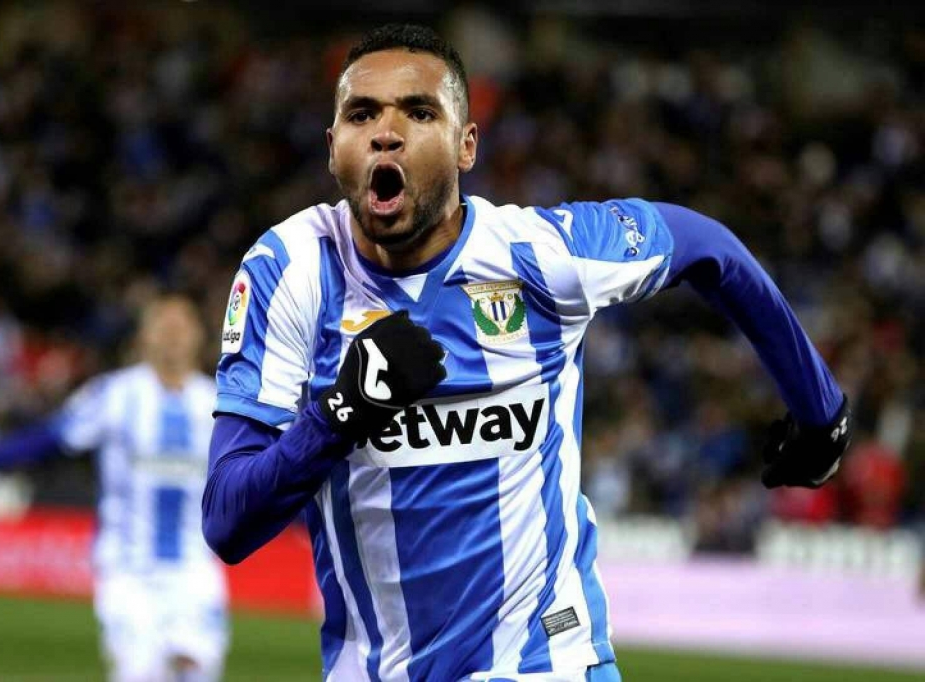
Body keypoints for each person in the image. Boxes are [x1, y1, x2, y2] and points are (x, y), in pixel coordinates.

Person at [202, 24, 852, 682]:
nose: (386, 133)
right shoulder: (290, 271)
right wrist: (342, 413)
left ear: (466, 145)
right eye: (361, 113)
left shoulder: (541, 256)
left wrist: (821, 411)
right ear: (332, 147)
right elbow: (228, 521)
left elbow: (708, 248)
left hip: (547, 662)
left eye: (419, 112)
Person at [0, 295, 228, 682]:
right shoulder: (114, 394)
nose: (172, 336)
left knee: (196, 671)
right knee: (140, 672)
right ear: (144, 336)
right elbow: (45, 439)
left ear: (199, 336)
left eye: (181, 327)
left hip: (195, 568)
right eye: (163, 326)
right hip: (127, 569)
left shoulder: (217, 403)